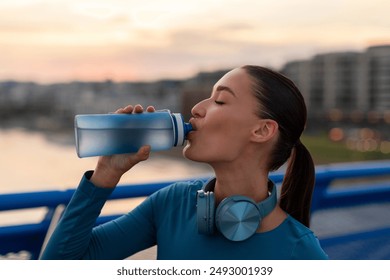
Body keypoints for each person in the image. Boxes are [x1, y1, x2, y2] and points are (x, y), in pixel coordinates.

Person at [40, 65, 328, 260]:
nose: (197, 108)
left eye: (220, 101)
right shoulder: (173, 204)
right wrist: (105, 174)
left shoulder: (301, 252)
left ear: (262, 130)